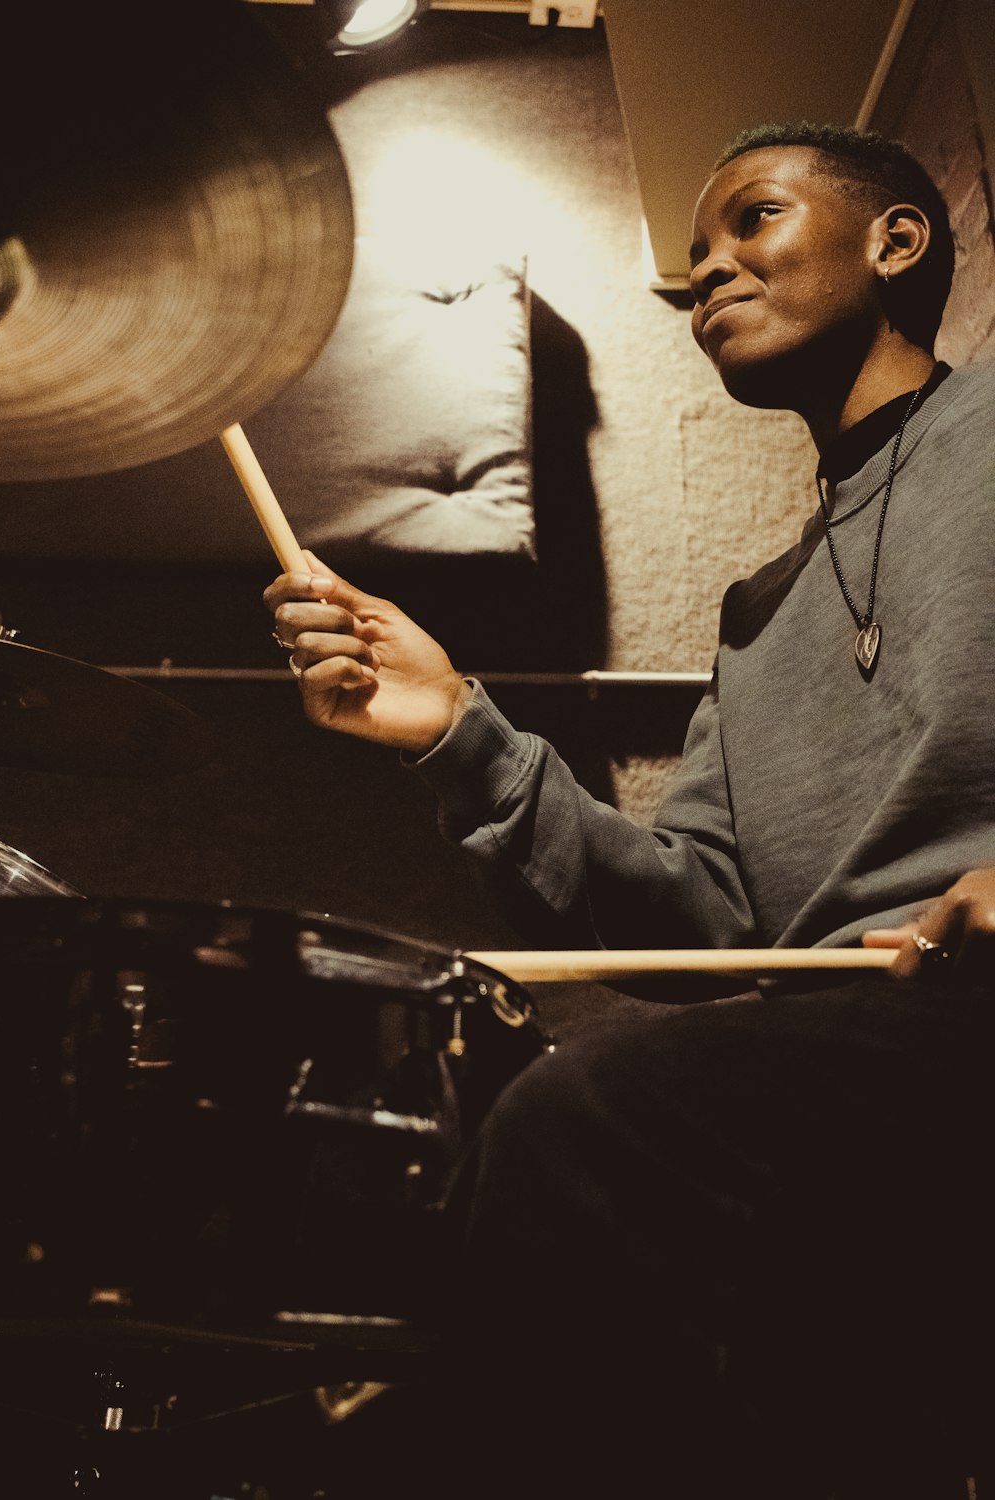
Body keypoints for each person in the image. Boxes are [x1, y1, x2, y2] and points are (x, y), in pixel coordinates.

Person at [264, 123, 995, 1497]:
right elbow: (703, 920)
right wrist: (456, 731)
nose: (706, 270)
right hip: (859, 1054)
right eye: (696, 253)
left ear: (898, 241)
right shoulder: (758, 615)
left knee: (581, 1120)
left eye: (754, 221)